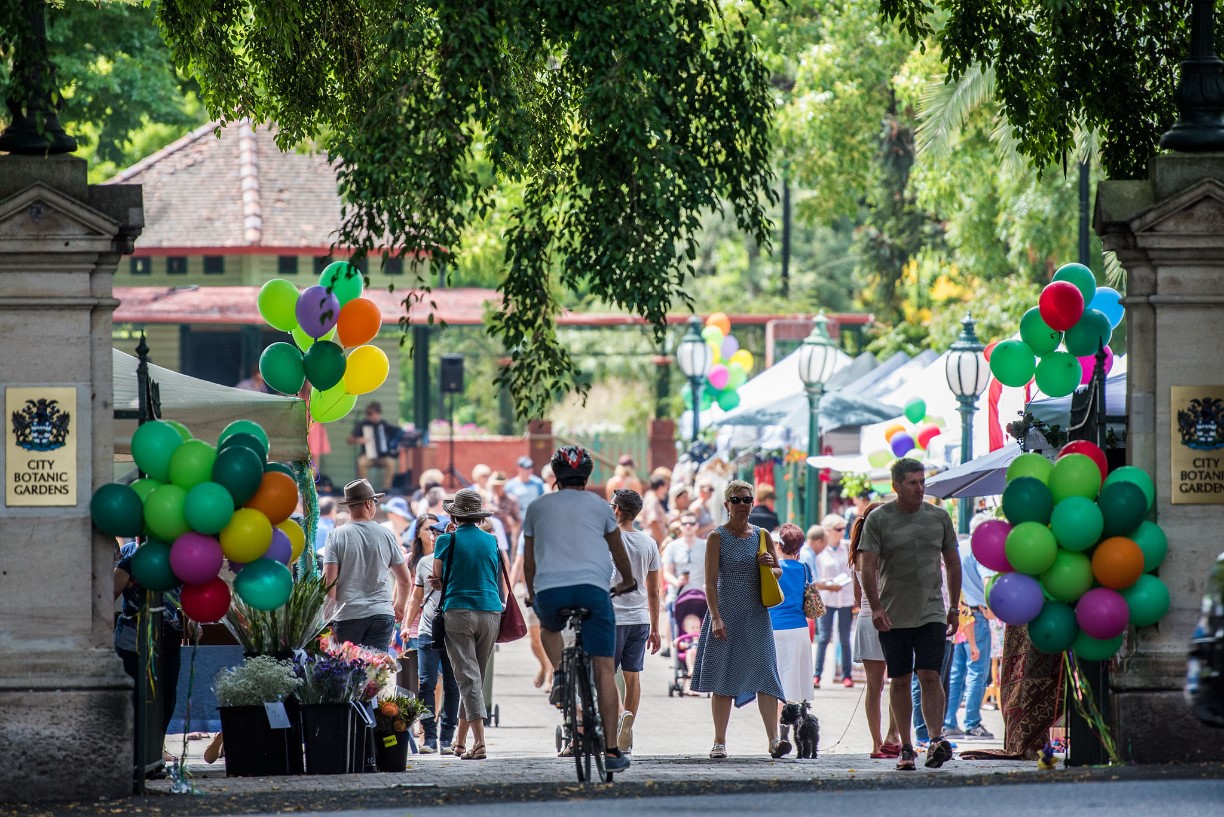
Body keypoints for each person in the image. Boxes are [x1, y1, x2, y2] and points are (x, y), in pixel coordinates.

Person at [522, 445, 636, 773]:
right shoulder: (600, 505)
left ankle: (560, 672)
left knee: (549, 627)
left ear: (556, 476)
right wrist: (627, 580)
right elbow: (618, 549)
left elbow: (529, 561)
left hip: (551, 589)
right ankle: (611, 752)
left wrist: (533, 594)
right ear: (587, 476)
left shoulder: (537, 506)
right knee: (604, 670)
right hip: (594, 590)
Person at [858, 458, 961, 772]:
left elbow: (953, 563)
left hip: (932, 610)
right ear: (896, 486)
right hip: (893, 614)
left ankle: (935, 739)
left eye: (922, 482)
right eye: (912, 483)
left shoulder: (939, 517)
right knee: (900, 679)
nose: (920, 488)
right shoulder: (879, 519)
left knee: (930, 675)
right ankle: (905, 745)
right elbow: (868, 566)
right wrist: (876, 607)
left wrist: (954, 607)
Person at [690, 480, 791, 760]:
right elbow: (710, 582)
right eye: (736, 500)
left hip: (756, 613)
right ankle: (719, 741)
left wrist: (770, 566)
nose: (742, 505)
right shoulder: (717, 537)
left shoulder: (762, 534)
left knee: (766, 673)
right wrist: (716, 617)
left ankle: (773, 740)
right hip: (726, 612)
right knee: (723, 676)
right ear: (727, 504)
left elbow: (778, 571)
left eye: (747, 500)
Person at [432, 489, 507, 760]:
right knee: (474, 678)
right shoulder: (492, 541)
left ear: (454, 515)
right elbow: (493, 574)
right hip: (491, 612)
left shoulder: (446, 540)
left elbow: (437, 576)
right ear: (478, 517)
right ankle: (461, 741)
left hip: (458, 612)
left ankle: (480, 742)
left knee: (468, 678)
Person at [322, 479, 413, 650]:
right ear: (368, 503)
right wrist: (399, 607)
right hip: (381, 614)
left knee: (349, 665)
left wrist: (327, 621)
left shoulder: (336, 536)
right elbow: (405, 580)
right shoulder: (386, 534)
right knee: (377, 665)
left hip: (347, 616)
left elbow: (329, 582)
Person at [113, 540, 183, 760]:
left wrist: (191, 621)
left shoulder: (179, 564)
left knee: (166, 699)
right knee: (135, 698)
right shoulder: (130, 564)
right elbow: (105, 599)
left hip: (169, 641)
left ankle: (154, 752)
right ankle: (134, 755)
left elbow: (182, 600)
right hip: (134, 642)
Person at [609, 489, 661, 755]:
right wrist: (656, 628)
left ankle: (620, 716)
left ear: (617, 509)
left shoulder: (606, 540)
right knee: (632, 677)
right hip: (639, 618)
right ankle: (626, 734)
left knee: (605, 674)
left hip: (612, 617)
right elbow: (654, 590)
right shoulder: (649, 543)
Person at [849, 502, 902, 759]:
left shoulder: (858, 554)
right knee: (898, 680)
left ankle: (877, 743)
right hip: (892, 620)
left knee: (874, 686)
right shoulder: (887, 552)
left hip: (867, 619)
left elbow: (857, 596)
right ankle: (892, 736)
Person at [403, 514, 460, 753]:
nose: (434, 537)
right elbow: (416, 596)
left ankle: (447, 737)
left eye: (439, 534)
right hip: (428, 629)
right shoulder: (424, 562)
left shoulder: (459, 561)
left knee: (452, 685)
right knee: (426, 682)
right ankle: (429, 737)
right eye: (432, 533)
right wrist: (406, 624)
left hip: (455, 630)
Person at [943, 522, 995, 740]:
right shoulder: (980, 551)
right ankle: (972, 722)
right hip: (977, 615)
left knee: (956, 673)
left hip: (960, 616)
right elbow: (987, 580)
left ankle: (949, 722)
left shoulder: (959, 547)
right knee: (977, 671)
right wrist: (992, 606)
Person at [771, 524, 813, 723]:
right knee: (794, 680)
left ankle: (776, 728)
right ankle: (791, 723)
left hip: (773, 627)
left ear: (779, 545)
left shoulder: (771, 570)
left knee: (775, 680)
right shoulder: (805, 569)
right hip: (799, 629)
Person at [814, 514, 855, 689]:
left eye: (844, 529)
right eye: (839, 529)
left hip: (845, 598)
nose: (842, 532)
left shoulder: (847, 547)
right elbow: (817, 576)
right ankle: (817, 675)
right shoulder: (821, 551)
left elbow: (853, 571)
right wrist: (829, 584)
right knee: (824, 637)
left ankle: (847, 675)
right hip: (827, 598)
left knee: (845, 638)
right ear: (829, 531)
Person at [347, 402, 401, 493]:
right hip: (367, 456)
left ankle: (386, 489)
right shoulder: (362, 425)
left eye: (376, 413)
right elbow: (349, 440)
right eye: (370, 414)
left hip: (382, 456)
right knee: (361, 463)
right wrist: (359, 439)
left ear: (379, 413)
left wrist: (392, 446)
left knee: (391, 462)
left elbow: (396, 434)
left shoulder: (383, 425)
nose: (374, 416)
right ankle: (365, 489)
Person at [487, 471, 522, 544]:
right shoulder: (489, 499)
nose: (496, 488)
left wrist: (514, 535)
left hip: (506, 535)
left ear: (503, 486)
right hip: (491, 535)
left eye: (499, 486)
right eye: (494, 486)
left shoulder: (511, 500)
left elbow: (517, 520)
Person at [640, 475, 669, 543]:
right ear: (660, 487)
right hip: (653, 539)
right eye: (665, 488)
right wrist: (662, 541)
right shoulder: (653, 500)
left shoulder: (650, 496)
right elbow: (653, 522)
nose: (666, 491)